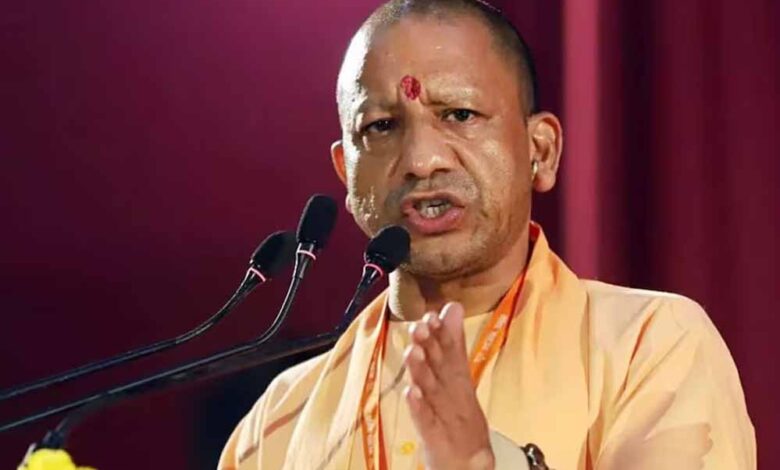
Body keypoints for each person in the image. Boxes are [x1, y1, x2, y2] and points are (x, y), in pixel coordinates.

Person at [219, 1, 755, 468]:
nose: (422, 159)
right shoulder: (280, 420)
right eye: (381, 126)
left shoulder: (649, 345)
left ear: (541, 150)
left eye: (460, 114)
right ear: (346, 172)